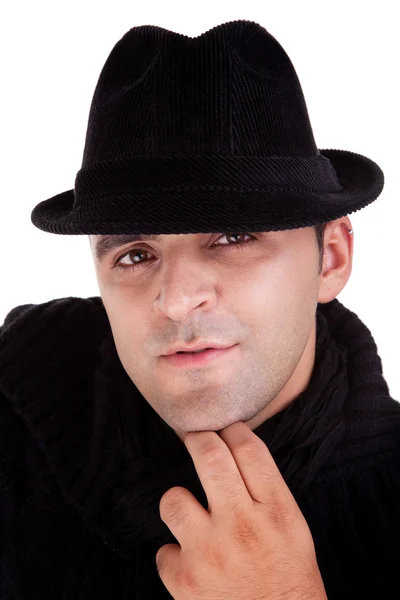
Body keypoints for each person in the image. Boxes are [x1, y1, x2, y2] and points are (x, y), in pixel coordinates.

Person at [1, 19, 399, 600]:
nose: (177, 299)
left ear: (330, 258)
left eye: (234, 238)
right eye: (135, 254)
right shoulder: (16, 417)